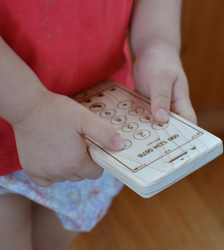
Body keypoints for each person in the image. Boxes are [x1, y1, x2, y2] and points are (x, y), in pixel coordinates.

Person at [0, 0, 197, 249]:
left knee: (51, 240)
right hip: (8, 119)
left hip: (98, 120)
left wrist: (157, 45)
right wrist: (30, 109)